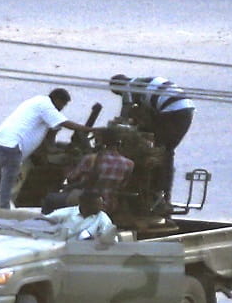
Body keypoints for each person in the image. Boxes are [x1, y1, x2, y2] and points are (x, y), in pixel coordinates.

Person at [0, 89, 87, 209]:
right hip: (11, 145)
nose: (62, 108)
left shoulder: (38, 101)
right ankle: (4, 209)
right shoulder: (46, 106)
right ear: (57, 100)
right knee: (8, 179)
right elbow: (64, 123)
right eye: (63, 104)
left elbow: (51, 136)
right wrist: (89, 130)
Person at [108, 74, 195, 210]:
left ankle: (159, 193)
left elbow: (125, 115)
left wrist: (117, 127)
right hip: (185, 109)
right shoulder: (142, 81)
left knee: (161, 152)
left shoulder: (128, 88)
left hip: (173, 111)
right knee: (165, 150)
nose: (121, 95)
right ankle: (161, 193)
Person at [58, 129, 134, 213]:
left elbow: (71, 177)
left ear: (101, 141)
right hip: (109, 205)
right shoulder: (129, 164)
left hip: (86, 203)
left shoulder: (91, 159)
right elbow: (122, 185)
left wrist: (67, 168)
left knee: (50, 199)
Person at [45, 190, 115, 242]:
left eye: (101, 204)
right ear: (84, 204)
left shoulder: (102, 217)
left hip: (86, 249)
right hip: (61, 246)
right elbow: (42, 222)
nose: (101, 207)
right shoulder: (66, 213)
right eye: (97, 205)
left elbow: (107, 234)